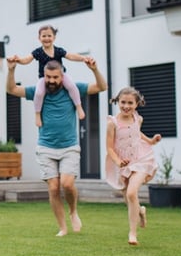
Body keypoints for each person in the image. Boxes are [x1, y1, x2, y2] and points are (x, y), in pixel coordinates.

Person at [6, 56, 107, 237]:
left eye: (55, 77)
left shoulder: (73, 89)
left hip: (69, 146)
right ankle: (62, 227)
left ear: (62, 76)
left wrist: (94, 69)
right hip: (45, 147)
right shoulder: (39, 91)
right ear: (44, 76)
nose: (51, 81)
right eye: (48, 77)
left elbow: (102, 87)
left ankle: (73, 211)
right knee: (53, 187)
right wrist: (12, 70)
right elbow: (12, 89)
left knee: (67, 184)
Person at [105, 87, 160, 245]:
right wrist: (117, 162)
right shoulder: (112, 123)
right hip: (122, 162)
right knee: (128, 198)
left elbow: (137, 133)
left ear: (137, 104)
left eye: (130, 103)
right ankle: (140, 211)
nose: (126, 106)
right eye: (123, 102)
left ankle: (132, 234)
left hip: (141, 159)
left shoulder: (138, 119)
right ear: (118, 102)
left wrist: (150, 141)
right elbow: (109, 147)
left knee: (131, 193)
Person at [8, 25, 87, 127]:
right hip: (44, 78)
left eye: (49, 36)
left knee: (72, 86)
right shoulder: (38, 52)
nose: (46, 38)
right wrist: (18, 60)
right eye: (44, 36)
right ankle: (37, 114)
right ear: (39, 38)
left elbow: (71, 56)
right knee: (39, 93)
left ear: (54, 37)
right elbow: (27, 59)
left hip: (61, 76)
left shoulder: (58, 50)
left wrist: (83, 58)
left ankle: (79, 107)